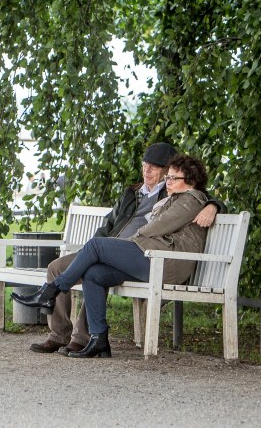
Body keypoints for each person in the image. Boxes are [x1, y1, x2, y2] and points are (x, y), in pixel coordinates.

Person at [22, 143, 223, 355]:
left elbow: (198, 197)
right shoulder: (132, 192)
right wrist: (97, 251)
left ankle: (54, 297)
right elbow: (109, 224)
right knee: (85, 271)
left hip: (147, 254)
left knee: (95, 249)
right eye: (145, 165)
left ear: (168, 170)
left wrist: (214, 205)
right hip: (124, 251)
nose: (148, 171)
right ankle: (93, 340)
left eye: (155, 167)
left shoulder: (180, 195)